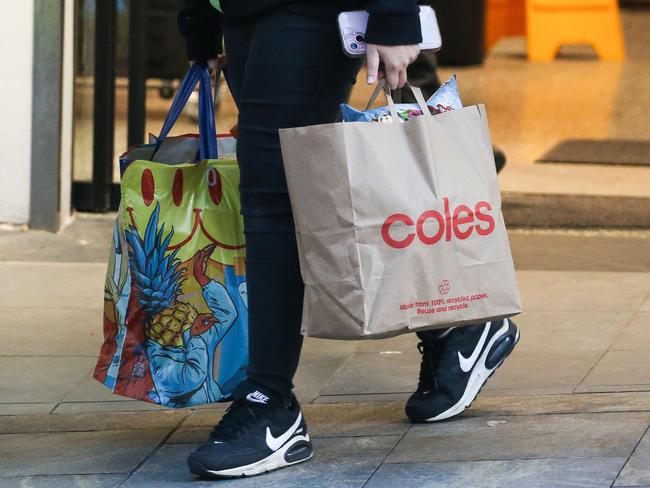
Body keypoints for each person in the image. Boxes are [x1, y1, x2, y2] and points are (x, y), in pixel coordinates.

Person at [177, 0, 519, 479]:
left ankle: (269, 402)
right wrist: (202, 18)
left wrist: (394, 14)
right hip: (243, 13)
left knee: (273, 198)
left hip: (307, 13)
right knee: (311, 193)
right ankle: (454, 327)